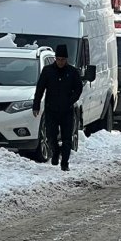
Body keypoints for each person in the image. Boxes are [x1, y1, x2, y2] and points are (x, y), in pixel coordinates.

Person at [33, 44, 83, 172]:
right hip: (51, 109)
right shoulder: (48, 71)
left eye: (63, 60)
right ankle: (55, 153)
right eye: (58, 59)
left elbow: (78, 89)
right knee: (51, 135)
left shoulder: (72, 72)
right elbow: (40, 88)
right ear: (55, 58)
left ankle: (65, 163)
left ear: (66, 60)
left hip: (66, 111)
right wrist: (36, 105)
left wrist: (70, 101)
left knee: (67, 138)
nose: (60, 62)